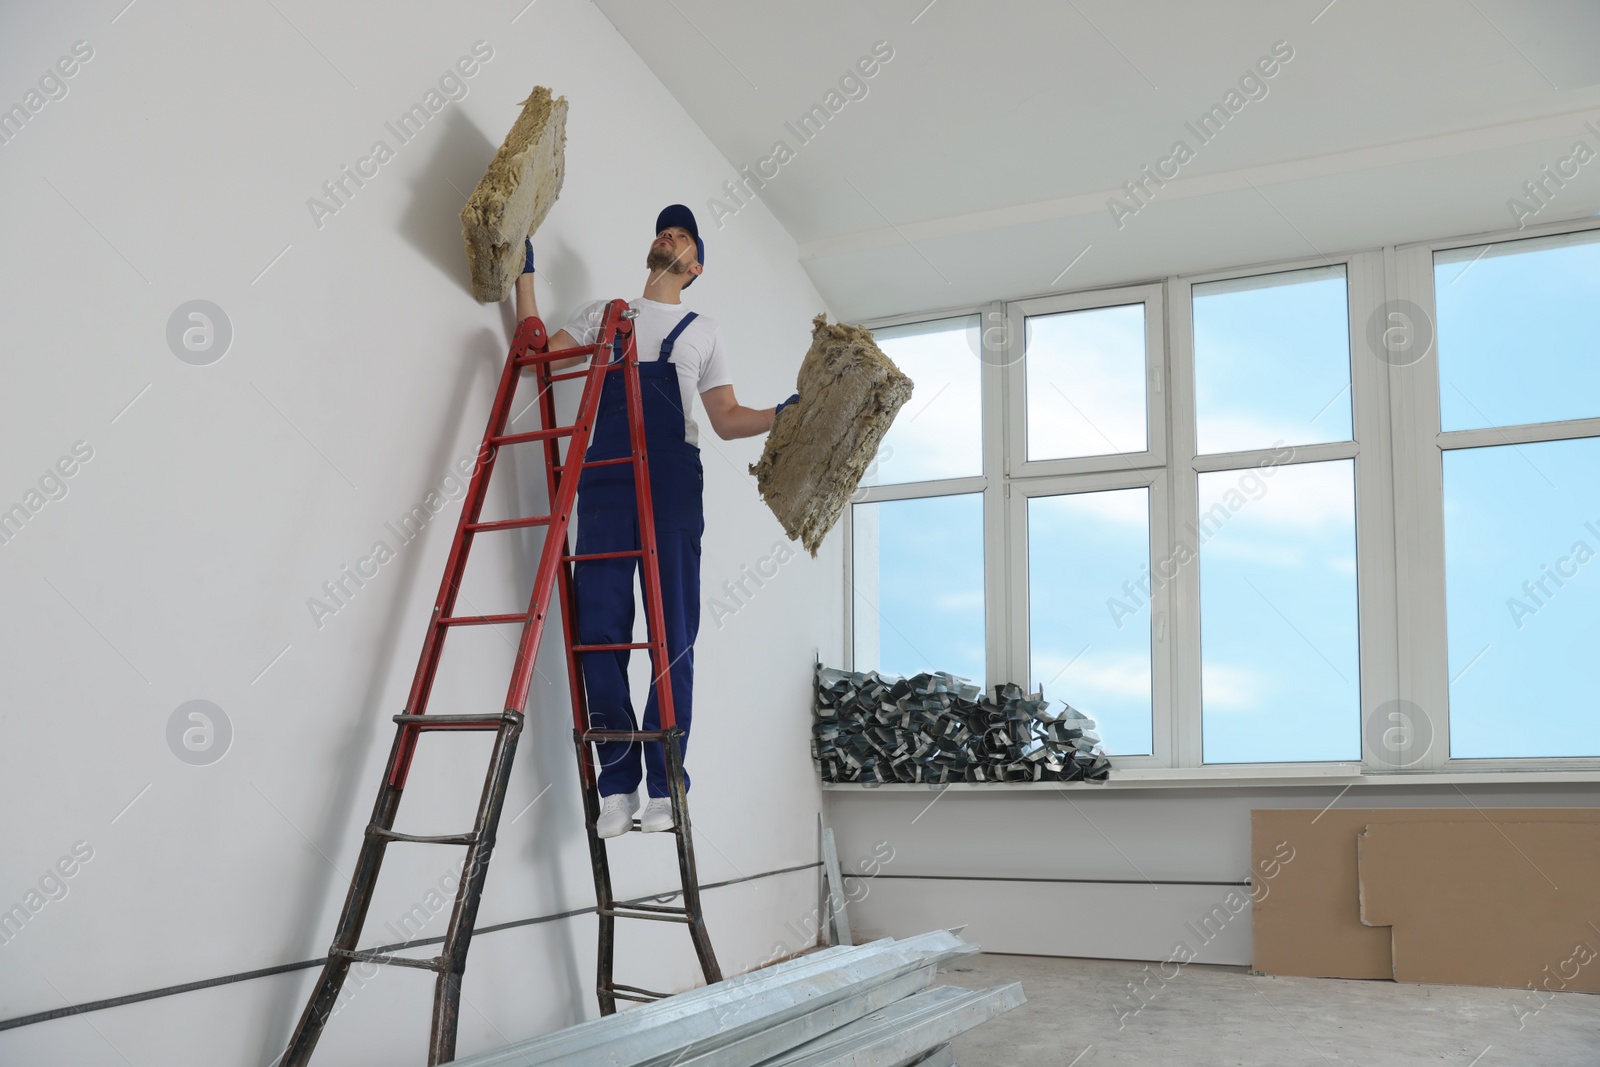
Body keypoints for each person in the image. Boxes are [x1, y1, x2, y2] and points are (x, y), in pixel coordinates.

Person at [515, 205, 799, 839]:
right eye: (663, 228)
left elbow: (725, 419)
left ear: (693, 266)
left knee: (673, 632)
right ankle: (615, 787)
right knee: (601, 632)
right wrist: (523, 280)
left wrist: (783, 412)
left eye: (684, 234)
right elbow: (536, 359)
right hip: (605, 474)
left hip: (673, 478)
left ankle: (667, 787)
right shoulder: (604, 314)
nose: (668, 234)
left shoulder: (703, 329)